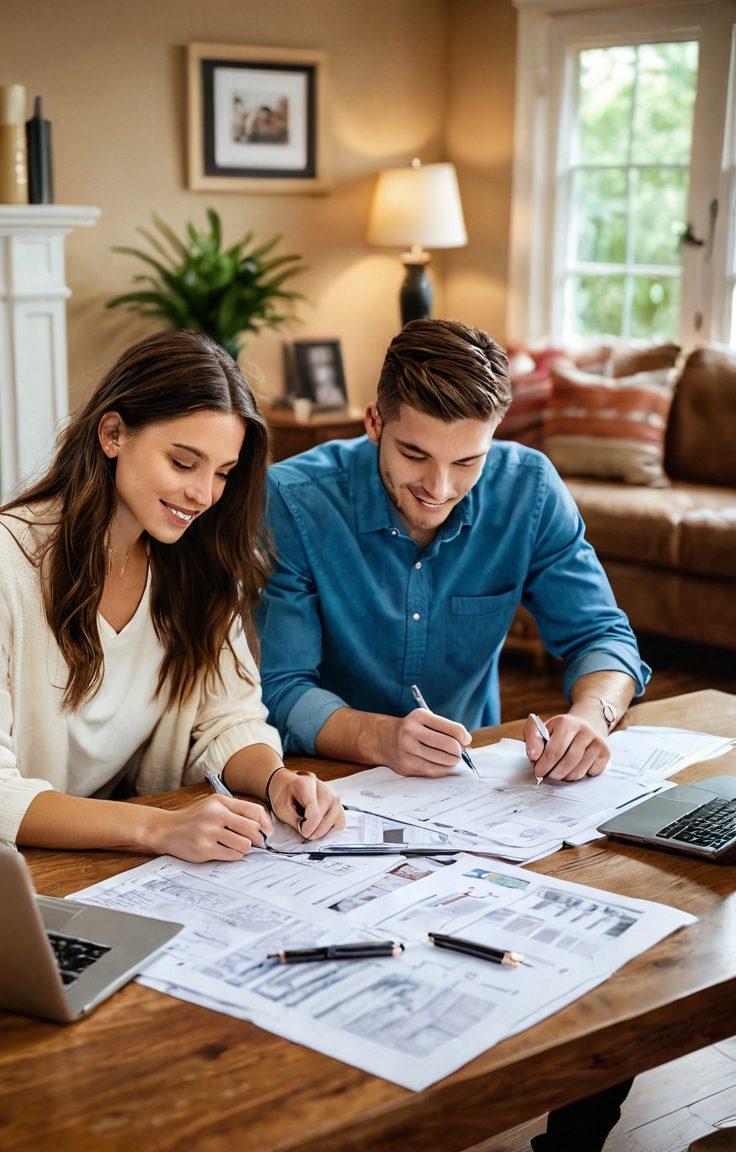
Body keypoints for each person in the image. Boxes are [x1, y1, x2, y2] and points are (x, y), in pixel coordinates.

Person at [256, 318, 649, 1151]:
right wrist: (378, 737)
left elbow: (607, 643)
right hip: (322, 801)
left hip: (474, 806)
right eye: (414, 456)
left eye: (467, 460)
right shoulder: (293, 499)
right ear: (373, 424)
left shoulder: (530, 490)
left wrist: (590, 716)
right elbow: (281, 688)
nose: (439, 486)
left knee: (619, 952)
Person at [0, 330, 344, 861]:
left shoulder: (196, 561)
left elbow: (228, 718)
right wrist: (156, 828)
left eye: (222, 473)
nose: (202, 494)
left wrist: (276, 780)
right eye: (182, 463)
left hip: (99, 858)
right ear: (113, 434)